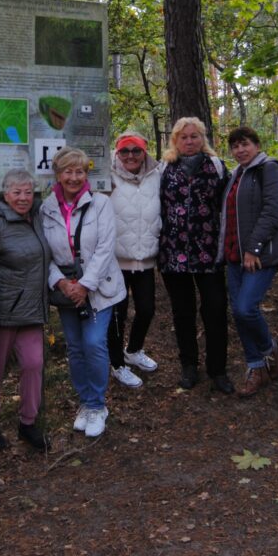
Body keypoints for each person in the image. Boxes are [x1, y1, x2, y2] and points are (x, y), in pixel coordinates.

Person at [40, 147, 126, 439]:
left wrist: (85, 285)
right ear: (58, 174)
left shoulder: (101, 204)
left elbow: (105, 248)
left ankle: (97, 405)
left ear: (86, 174)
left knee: (93, 343)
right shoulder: (46, 208)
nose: (74, 177)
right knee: (75, 347)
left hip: (99, 288)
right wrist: (62, 284)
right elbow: (45, 254)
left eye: (79, 171)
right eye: (68, 171)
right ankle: (86, 403)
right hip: (66, 290)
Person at [0, 169, 51, 453]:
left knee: (33, 365)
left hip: (32, 310)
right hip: (2, 312)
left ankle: (28, 423)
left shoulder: (38, 218)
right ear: (5, 194)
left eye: (28, 192)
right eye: (17, 192)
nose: (23, 198)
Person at [158, 117, 233, 394]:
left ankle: (218, 369)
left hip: (209, 252)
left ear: (203, 139)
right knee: (183, 312)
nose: (189, 141)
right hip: (172, 253)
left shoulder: (216, 167)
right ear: (175, 141)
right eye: (184, 137)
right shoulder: (164, 168)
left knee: (214, 309)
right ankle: (188, 365)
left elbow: (227, 207)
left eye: (195, 136)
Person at [218, 125, 278, 397]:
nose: (240, 150)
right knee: (238, 311)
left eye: (245, 144)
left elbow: (274, 209)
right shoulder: (236, 174)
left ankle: (269, 348)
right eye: (235, 146)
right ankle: (255, 367)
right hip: (234, 256)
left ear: (257, 145)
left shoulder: (268, 169)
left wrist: (254, 249)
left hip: (260, 255)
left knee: (246, 308)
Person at [107, 131, 161, 387]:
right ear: (117, 153)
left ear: (144, 152)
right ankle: (117, 364)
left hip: (145, 257)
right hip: (115, 260)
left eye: (135, 150)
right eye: (124, 151)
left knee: (147, 310)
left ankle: (134, 350)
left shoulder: (157, 175)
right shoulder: (107, 176)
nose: (130, 155)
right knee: (117, 316)